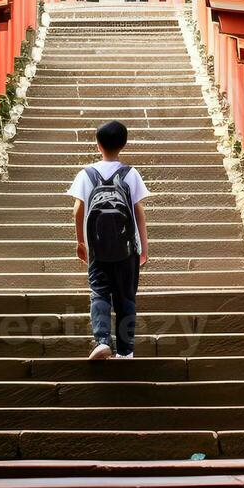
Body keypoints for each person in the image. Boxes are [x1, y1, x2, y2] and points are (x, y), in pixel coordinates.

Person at [67, 120, 151, 360]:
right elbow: (139, 213)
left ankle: (102, 341)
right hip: (127, 249)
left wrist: (81, 242)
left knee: (99, 292)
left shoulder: (86, 174)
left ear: (97, 145)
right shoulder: (130, 173)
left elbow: (77, 211)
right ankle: (126, 351)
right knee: (126, 297)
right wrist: (143, 247)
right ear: (123, 145)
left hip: (97, 248)